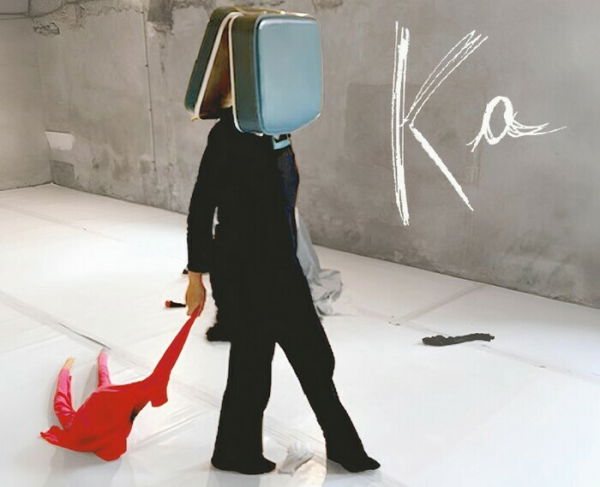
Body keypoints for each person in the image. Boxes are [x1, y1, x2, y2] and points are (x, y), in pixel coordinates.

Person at [184, 46, 379, 475]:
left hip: (277, 265)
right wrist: (196, 276)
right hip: (242, 269)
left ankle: (339, 446)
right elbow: (201, 206)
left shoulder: (277, 133)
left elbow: (282, 205)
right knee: (256, 366)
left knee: (311, 358)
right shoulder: (228, 135)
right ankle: (237, 451)